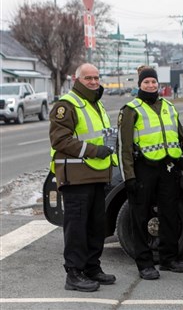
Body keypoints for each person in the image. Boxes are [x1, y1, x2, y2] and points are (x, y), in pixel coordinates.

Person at [118, 67, 183, 280]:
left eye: (153, 82)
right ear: (139, 85)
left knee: (169, 214)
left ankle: (169, 259)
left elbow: (181, 138)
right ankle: (144, 264)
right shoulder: (131, 109)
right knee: (140, 216)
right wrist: (129, 176)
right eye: (146, 83)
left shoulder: (169, 107)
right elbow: (123, 146)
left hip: (168, 168)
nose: (151, 86)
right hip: (143, 169)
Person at [49, 63, 116, 292]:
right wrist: (94, 151)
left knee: (96, 226)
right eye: (88, 78)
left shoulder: (95, 104)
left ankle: (91, 267)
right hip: (76, 176)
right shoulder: (67, 105)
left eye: (96, 77)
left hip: (97, 174)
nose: (94, 82)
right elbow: (60, 140)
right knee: (76, 228)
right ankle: (74, 274)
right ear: (77, 80)